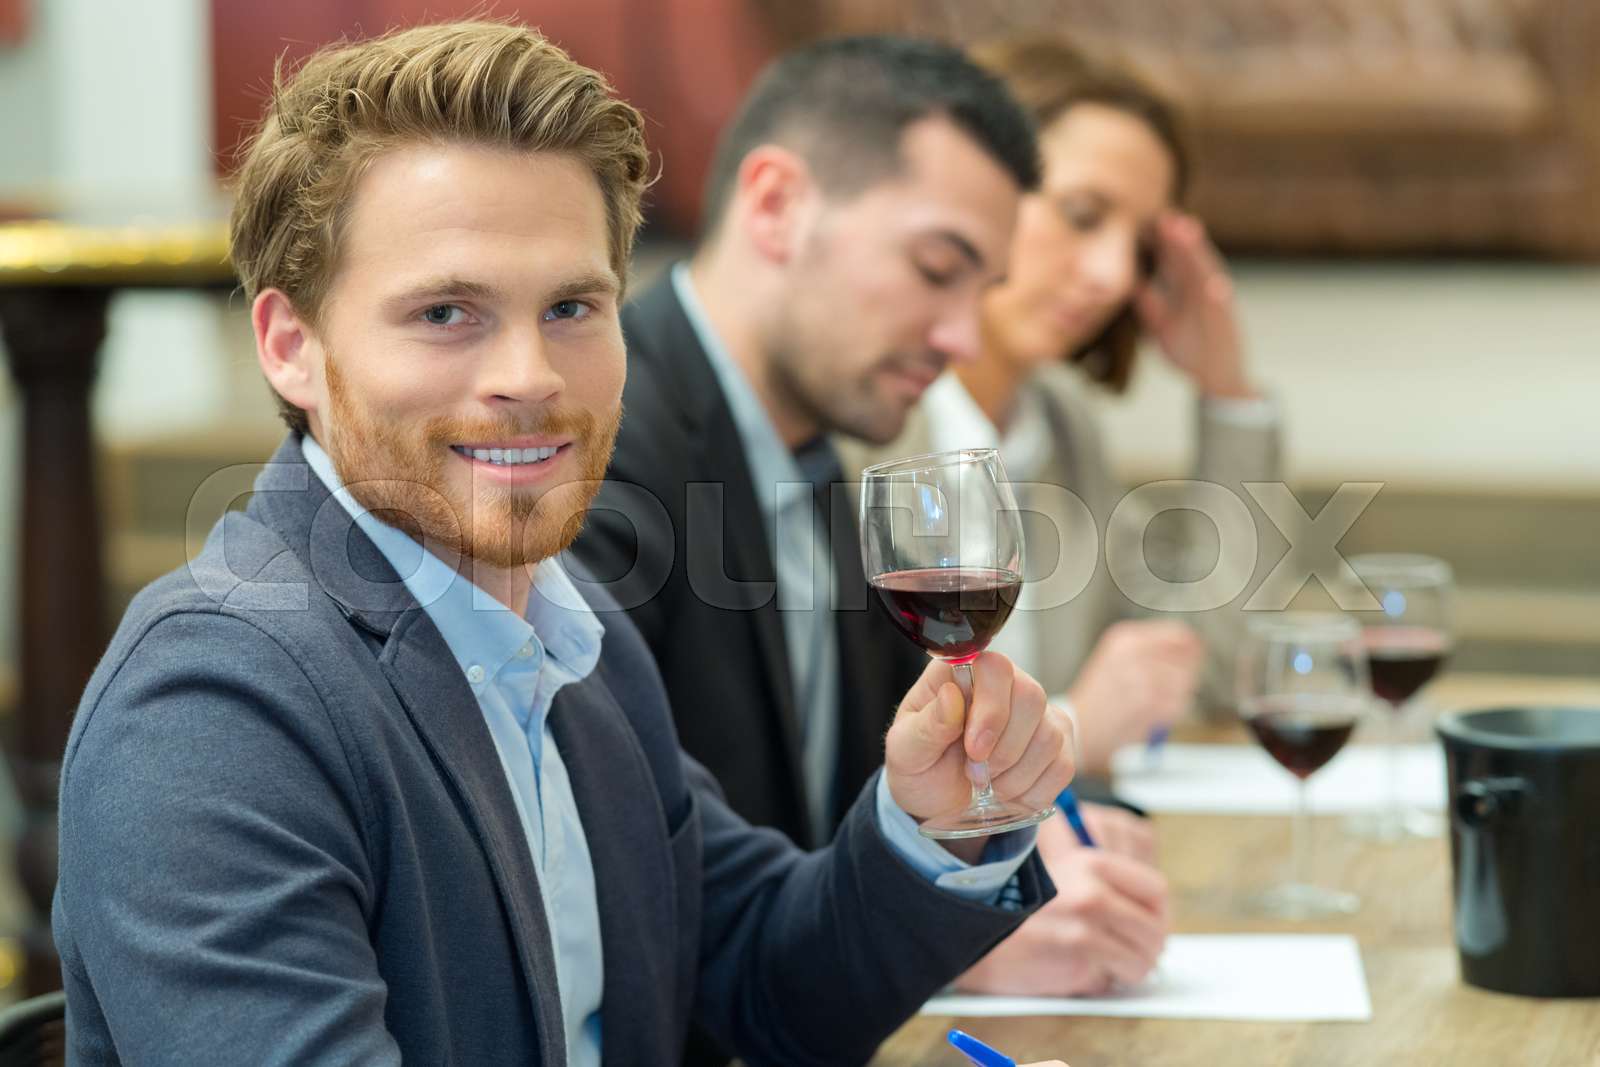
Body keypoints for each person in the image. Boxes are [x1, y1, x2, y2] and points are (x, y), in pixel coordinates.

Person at [50, 22, 1079, 1066]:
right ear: (291, 347)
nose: (529, 374)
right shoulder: (211, 707)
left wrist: (929, 822)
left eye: (572, 306)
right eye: (446, 311)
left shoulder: (577, 642)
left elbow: (768, 981)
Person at [572, 34, 1168, 1014]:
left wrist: (1023, 840)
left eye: (982, 289)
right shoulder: (595, 453)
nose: (962, 337)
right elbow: (633, 885)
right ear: (775, 205)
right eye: (939, 267)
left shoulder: (816, 462)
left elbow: (879, 793)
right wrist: (949, 940)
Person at [841, 34, 1283, 780]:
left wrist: (1227, 391)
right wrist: (1073, 731)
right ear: (973, 189)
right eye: (1082, 214)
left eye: (1140, 247)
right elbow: (849, 770)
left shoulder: (1059, 428)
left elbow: (1203, 671)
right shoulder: (854, 432)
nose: (1114, 276)